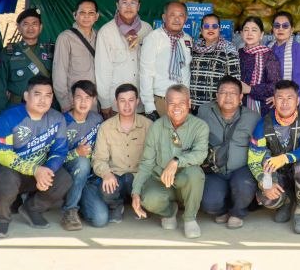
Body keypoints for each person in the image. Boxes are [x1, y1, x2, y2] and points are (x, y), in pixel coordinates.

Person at [0, 75, 72, 235]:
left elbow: (60, 151)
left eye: (48, 95)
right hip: (9, 171)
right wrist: (34, 170)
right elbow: (4, 155)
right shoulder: (8, 117)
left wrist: (46, 171)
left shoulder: (57, 118)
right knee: (6, 178)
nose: (43, 100)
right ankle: (1, 219)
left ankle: (32, 208)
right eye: (37, 94)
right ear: (26, 96)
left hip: (38, 172)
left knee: (64, 179)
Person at [131, 85, 208, 239]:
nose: (176, 107)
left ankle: (190, 218)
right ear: (166, 105)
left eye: (181, 103)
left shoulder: (200, 126)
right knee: (148, 199)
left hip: (184, 180)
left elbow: (200, 154)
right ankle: (169, 212)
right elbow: (146, 163)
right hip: (161, 180)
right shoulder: (156, 127)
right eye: (172, 103)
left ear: (189, 103)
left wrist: (176, 161)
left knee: (195, 174)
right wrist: (135, 192)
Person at [248, 80, 300, 232]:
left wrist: (284, 158)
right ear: (274, 101)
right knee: (267, 198)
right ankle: (287, 200)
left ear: (297, 101)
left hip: (299, 169)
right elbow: (254, 160)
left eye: (289, 98)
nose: (285, 103)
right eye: (280, 98)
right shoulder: (263, 124)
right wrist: (265, 183)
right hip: (278, 174)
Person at [198, 76, 260, 229]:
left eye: (233, 93)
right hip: (215, 170)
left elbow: (261, 147)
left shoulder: (252, 118)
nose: (228, 97)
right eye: (223, 92)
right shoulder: (204, 111)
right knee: (209, 203)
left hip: (242, 169)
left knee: (243, 186)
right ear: (216, 95)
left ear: (240, 97)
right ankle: (221, 210)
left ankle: (237, 213)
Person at [92, 83, 152, 223]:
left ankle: (140, 204)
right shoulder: (106, 127)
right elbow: (99, 159)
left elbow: (154, 158)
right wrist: (106, 174)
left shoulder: (148, 125)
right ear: (116, 102)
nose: (127, 105)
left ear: (137, 102)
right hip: (116, 177)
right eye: (122, 101)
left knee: (151, 192)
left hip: (139, 177)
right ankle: (116, 206)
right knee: (106, 189)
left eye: (131, 100)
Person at [60, 80, 107, 230]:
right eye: (79, 97)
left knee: (100, 219)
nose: (83, 102)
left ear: (94, 100)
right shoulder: (62, 121)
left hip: (90, 178)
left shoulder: (97, 119)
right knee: (82, 162)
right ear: (72, 98)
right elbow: (54, 157)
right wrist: (76, 152)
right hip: (67, 173)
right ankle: (70, 210)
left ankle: (82, 202)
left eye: (88, 98)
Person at [95, 0, 150, 114]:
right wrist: (105, 103)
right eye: (124, 2)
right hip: (116, 103)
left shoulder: (147, 29)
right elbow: (102, 70)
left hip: (141, 102)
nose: (129, 7)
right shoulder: (106, 32)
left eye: (133, 3)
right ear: (117, 5)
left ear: (139, 6)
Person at [0, 7, 53, 114]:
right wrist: (1, 113)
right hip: (16, 107)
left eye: (34, 24)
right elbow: (0, 85)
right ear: (19, 27)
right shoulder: (8, 52)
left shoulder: (50, 51)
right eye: (26, 24)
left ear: (40, 27)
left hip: (43, 108)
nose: (30, 28)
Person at [139, 1, 193, 118]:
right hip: (161, 101)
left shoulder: (187, 39)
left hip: (182, 102)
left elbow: (186, 72)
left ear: (186, 18)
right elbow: (146, 73)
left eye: (181, 15)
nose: (177, 19)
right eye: (172, 15)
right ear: (164, 17)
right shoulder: (153, 38)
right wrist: (149, 106)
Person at [53, 0, 99, 113]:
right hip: (75, 102)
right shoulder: (65, 38)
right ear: (74, 15)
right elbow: (59, 73)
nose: (86, 16)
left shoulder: (100, 37)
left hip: (96, 102)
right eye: (82, 12)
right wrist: (65, 103)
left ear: (97, 16)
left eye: (91, 13)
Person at [189, 13, 241, 111]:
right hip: (194, 106)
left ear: (219, 29)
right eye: (206, 26)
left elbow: (235, 81)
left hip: (216, 108)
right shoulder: (194, 48)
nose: (210, 29)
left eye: (214, 26)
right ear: (201, 30)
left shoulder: (228, 49)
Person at [237, 16, 278, 115]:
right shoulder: (237, 53)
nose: (249, 33)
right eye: (246, 30)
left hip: (262, 107)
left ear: (261, 34)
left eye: (254, 30)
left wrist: (250, 89)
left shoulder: (268, 55)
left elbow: (274, 85)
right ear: (241, 34)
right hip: (237, 105)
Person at [270, 10, 300, 102]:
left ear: (292, 29)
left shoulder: (298, 50)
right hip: (269, 99)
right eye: (277, 25)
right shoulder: (268, 47)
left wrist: (280, 96)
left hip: (291, 100)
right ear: (272, 29)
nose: (280, 29)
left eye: (285, 26)